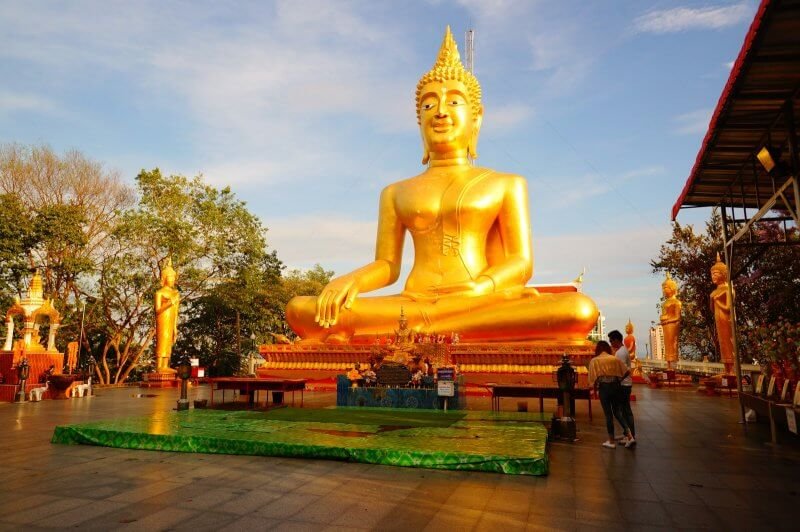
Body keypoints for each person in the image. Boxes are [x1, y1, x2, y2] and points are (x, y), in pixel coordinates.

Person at [285, 26, 598, 344]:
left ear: (477, 117)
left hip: (476, 299)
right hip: (412, 302)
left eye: (454, 102)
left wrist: (483, 286)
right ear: (418, 120)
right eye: (428, 105)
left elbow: (520, 262)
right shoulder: (395, 192)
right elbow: (388, 265)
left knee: (578, 309)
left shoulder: (506, 184)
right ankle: (434, 330)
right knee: (300, 309)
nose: (440, 112)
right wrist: (350, 280)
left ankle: (401, 334)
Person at [588, 341, 630, 449]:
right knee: (617, 412)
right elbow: (627, 371)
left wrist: (594, 389)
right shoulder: (614, 359)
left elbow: (593, 379)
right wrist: (619, 380)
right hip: (615, 386)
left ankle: (611, 440)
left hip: (604, 388)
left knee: (608, 415)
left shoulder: (595, 360)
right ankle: (630, 436)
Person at [609, 330, 636, 448]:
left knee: (622, 411)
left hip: (623, 385)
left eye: (611, 341)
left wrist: (618, 380)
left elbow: (625, 371)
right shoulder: (623, 351)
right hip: (626, 384)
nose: (611, 343)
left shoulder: (620, 353)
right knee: (625, 411)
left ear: (616, 340)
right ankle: (628, 434)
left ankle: (630, 435)